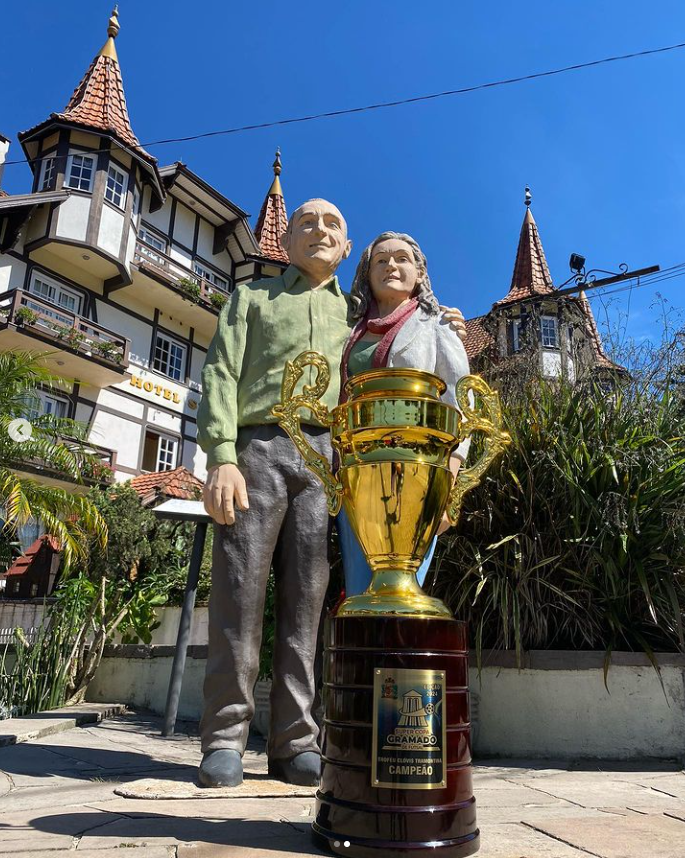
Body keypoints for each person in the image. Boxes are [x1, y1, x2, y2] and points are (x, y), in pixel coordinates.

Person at [197, 200, 467, 789]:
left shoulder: (357, 316)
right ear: (286, 241)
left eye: (333, 225)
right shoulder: (252, 298)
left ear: (348, 251)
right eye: (306, 222)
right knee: (239, 595)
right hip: (257, 448)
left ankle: (296, 739)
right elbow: (219, 373)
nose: (319, 230)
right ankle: (224, 737)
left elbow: (415, 341)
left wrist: (444, 319)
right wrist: (221, 456)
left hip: (330, 461)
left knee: (309, 602)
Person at [337, 232, 471, 597]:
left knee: (400, 589)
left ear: (419, 273)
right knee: (358, 586)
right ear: (366, 274)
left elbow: (460, 402)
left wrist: (447, 485)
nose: (391, 266)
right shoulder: (351, 328)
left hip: (416, 473)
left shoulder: (437, 324)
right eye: (381, 260)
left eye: (401, 259)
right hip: (354, 472)